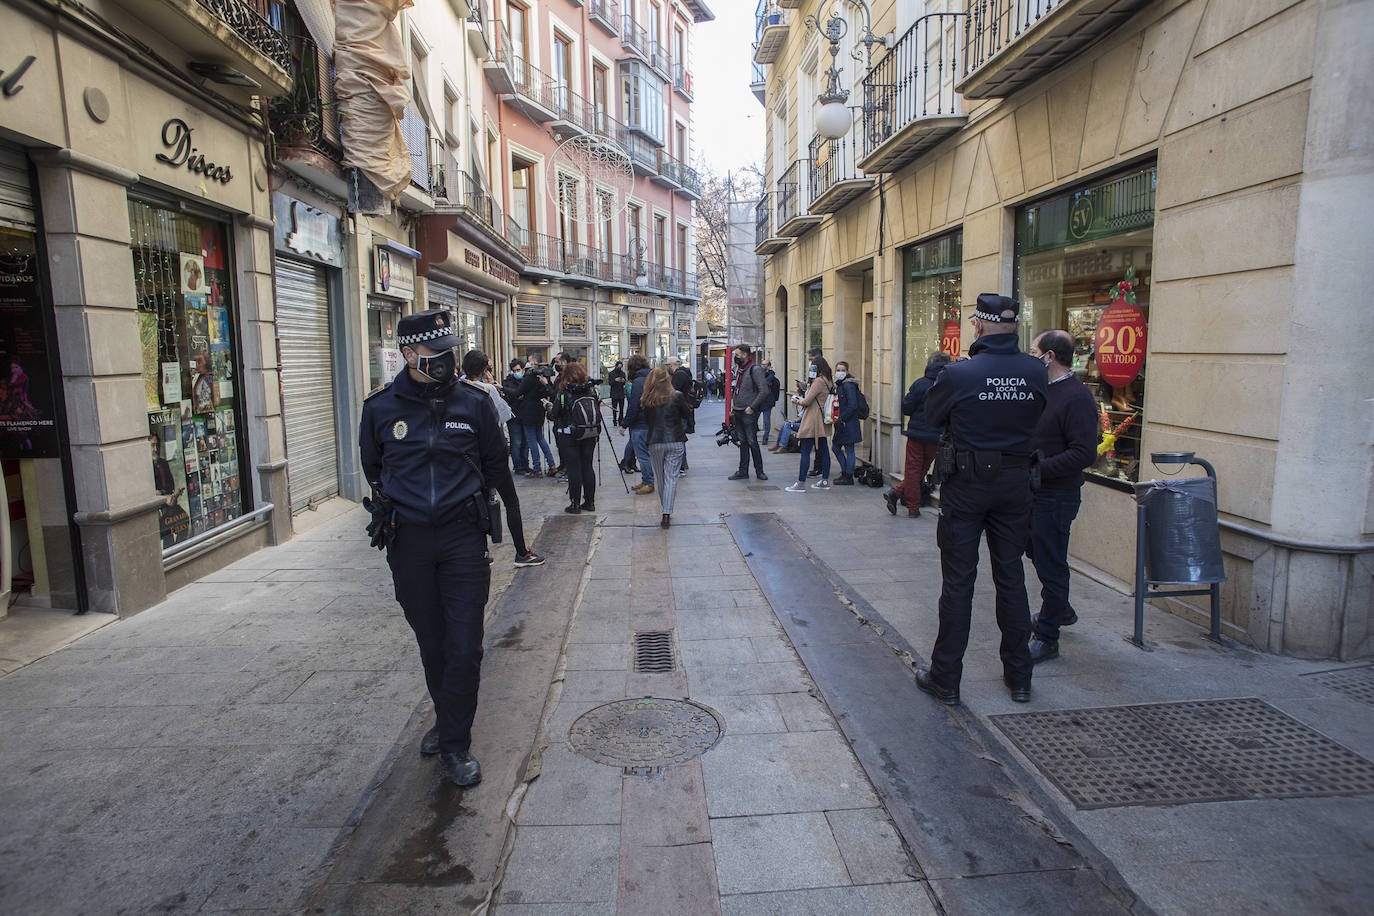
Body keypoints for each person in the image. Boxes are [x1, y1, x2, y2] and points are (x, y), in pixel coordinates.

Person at [359, 309, 507, 787]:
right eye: (435, 354)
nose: (446, 361)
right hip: (410, 543)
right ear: (408, 355)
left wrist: (514, 532)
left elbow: (495, 464)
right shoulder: (380, 409)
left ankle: (456, 744)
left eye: (450, 352)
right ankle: (447, 721)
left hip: (463, 538)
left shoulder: (475, 403)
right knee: (433, 641)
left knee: (465, 645)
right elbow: (374, 469)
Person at [914, 294, 1048, 707]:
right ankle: (1020, 677)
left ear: (980, 326)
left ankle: (946, 678)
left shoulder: (959, 374)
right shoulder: (1035, 371)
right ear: (1013, 327)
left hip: (968, 485)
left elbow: (928, 417)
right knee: (1011, 579)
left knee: (958, 581)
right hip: (1015, 483)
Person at [1025, 329, 1099, 663]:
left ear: (1050, 356)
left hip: (1056, 495)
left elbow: (1084, 452)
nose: (1030, 356)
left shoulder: (1077, 397)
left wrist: (1040, 470)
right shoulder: (1043, 389)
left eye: (1034, 351)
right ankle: (1061, 607)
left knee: (1052, 564)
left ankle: (1048, 636)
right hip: (1035, 492)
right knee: (1037, 552)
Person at [463, 351, 545, 569]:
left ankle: (481, 551)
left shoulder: (458, 388)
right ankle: (521, 552)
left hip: (471, 456)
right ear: (484, 370)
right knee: (511, 503)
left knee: (475, 502)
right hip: (493, 454)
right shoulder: (486, 389)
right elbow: (505, 415)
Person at [886, 351, 952, 517]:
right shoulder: (949, 384)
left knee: (913, 471)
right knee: (922, 470)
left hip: (917, 434)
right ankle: (897, 494)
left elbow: (907, 407)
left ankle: (911, 507)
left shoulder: (920, 384)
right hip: (937, 435)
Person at [641, 367, 697, 528]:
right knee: (671, 477)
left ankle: (665, 510)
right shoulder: (677, 396)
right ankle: (666, 513)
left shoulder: (646, 399)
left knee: (661, 478)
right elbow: (687, 414)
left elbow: (647, 421)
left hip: (655, 442)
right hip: (675, 440)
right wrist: (687, 426)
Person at [547, 361, 601, 514]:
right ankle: (590, 502)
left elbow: (554, 415)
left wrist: (548, 407)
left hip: (569, 436)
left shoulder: (564, 392)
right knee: (587, 466)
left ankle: (575, 504)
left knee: (574, 468)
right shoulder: (592, 390)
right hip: (589, 434)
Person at [785, 356, 834, 492]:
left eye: (812, 366)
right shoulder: (828, 380)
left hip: (813, 419)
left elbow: (807, 401)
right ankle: (824, 480)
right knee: (824, 450)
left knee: (805, 450)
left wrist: (797, 400)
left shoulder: (818, 381)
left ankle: (801, 483)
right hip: (822, 419)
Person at [727, 344, 769, 481]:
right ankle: (742, 471)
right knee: (743, 442)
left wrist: (752, 407)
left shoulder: (754, 370)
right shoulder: (740, 370)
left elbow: (764, 391)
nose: (736, 357)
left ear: (745, 355)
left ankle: (759, 471)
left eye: (737, 355)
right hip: (738, 411)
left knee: (752, 442)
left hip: (748, 412)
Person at [619, 354, 654, 493]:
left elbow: (634, 405)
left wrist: (624, 424)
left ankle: (649, 483)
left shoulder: (638, 382)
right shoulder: (652, 378)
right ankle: (646, 480)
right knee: (646, 455)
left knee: (643, 456)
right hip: (652, 422)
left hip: (640, 423)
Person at [514, 360, 555, 477]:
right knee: (540, 439)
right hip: (539, 413)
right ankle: (551, 464)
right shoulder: (544, 381)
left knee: (532, 441)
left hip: (528, 414)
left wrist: (503, 388)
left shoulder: (529, 379)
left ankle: (537, 468)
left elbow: (518, 392)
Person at [830, 361, 863, 485]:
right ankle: (845, 472)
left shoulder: (848, 385)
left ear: (847, 371)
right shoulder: (840, 385)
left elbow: (852, 405)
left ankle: (848, 475)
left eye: (842, 370)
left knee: (849, 449)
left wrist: (842, 418)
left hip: (848, 423)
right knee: (836, 447)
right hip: (843, 423)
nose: (840, 372)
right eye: (838, 370)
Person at [667, 356, 694, 475]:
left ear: (672, 365)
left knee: (679, 441)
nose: (667, 368)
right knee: (680, 440)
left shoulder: (678, 375)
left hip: (679, 412)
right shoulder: (685, 373)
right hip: (684, 411)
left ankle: (681, 467)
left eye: (668, 366)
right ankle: (682, 465)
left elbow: (674, 393)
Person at [501, 360, 529, 474]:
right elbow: (511, 395)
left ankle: (525, 465)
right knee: (516, 442)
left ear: (522, 369)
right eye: (514, 371)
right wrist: (517, 395)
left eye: (518, 370)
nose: (516, 372)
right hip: (514, 417)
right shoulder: (508, 382)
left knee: (525, 443)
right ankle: (518, 466)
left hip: (526, 416)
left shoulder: (526, 381)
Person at [607, 360, 627, 425]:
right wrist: (615, 380)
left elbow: (625, 383)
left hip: (621, 393)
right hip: (614, 393)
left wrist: (623, 381)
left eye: (620, 367)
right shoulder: (611, 373)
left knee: (621, 408)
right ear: (616, 366)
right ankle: (614, 420)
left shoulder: (623, 373)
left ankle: (620, 420)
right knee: (614, 408)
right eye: (618, 367)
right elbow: (610, 383)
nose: (619, 368)